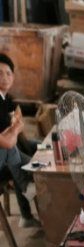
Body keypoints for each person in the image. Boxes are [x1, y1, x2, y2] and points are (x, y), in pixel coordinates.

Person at [0, 53, 40, 228]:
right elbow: (8, 142)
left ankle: (34, 170)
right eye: (0, 73)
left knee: (37, 146)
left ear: (13, 77)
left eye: (8, 73)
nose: (4, 77)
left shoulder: (5, 99)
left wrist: (14, 127)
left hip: (7, 154)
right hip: (4, 158)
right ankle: (29, 181)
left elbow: (10, 131)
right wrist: (15, 128)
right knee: (14, 152)